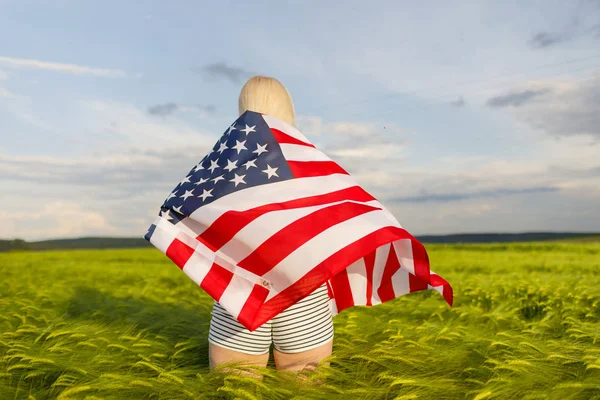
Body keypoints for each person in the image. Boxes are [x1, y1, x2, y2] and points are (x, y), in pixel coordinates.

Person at [207, 76, 334, 383]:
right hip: (304, 294)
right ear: (290, 112)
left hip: (239, 295)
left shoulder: (219, 167)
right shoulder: (315, 166)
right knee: (304, 391)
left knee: (238, 390)